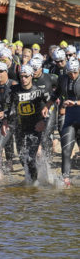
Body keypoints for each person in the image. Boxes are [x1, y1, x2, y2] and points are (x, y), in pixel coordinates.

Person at [56, 58, 80, 187]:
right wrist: (46, 106)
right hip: (70, 119)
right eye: (70, 72)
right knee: (66, 150)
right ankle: (65, 178)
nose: (73, 75)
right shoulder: (63, 79)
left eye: (75, 72)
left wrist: (75, 103)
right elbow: (56, 94)